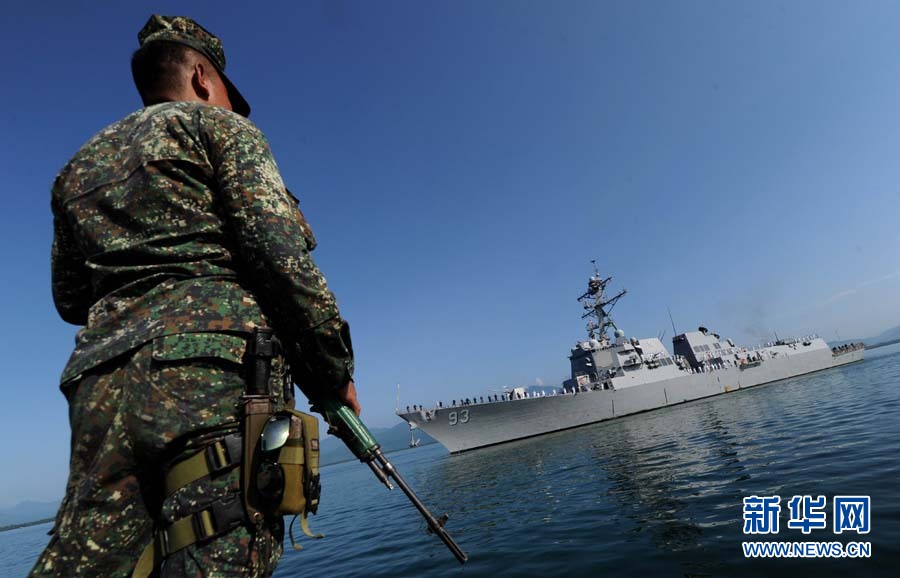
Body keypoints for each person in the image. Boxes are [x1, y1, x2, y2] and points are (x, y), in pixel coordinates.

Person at [30, 15, 358, 578]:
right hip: (211, 374)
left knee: (90, 562)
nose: (233, 106)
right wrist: (335, 374)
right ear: (204, 77)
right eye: (229, 92)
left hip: (101, 390)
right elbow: (281, 261)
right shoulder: (219, 128)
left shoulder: (75, 171)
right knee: (218, 542)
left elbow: (69, 299)